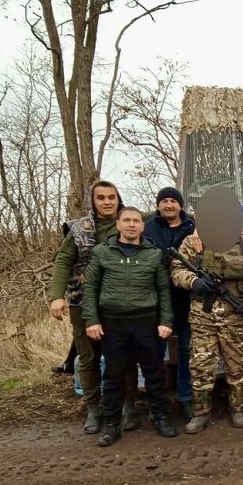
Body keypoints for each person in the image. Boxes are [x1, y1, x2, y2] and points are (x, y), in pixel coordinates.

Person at [82, 207, 178, 446]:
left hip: (146, 321)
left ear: (142, 227)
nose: (132, 225)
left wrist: (166, 321)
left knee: (154, 373)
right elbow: (90, 289)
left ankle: (161, 416)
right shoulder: (102, 253)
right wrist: (91, 320)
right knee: (113, 376)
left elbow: (164, 290)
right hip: (112, 323)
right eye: (127, 220)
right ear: (119, 224)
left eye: (136, 221)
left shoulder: (153, 255)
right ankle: (112, 424)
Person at [171, 230, 243, 433]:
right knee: (200, 364)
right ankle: (200, 413)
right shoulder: (194, 241)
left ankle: (238, 408)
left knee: (238, 364)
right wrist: (194, 281)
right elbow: (176, 269)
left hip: (235, 315)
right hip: (202, 316)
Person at [48, 180, 125, 434]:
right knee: (88, 356)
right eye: (101, 197)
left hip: (117, 302)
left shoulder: (129, 222)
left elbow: (169, 213)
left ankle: (121, 404)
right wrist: (56, 297)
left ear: (117, 199)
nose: (107, 202)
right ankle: (93, 406)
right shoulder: (79, 229)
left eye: (111, 197)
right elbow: (63, 262)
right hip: (82, 302)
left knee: (119, 355)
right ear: (93, 200)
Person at [144, 186, 196, 420]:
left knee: (187, 351)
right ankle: (158, 402)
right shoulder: (148, 228)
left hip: (187, 299)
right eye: (164, 201)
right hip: (156, 301)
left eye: (173, 201)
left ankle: (186, 398)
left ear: (180, 205)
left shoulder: (193, 227)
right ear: (158, 205)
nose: (168, 205)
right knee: (156, 354)